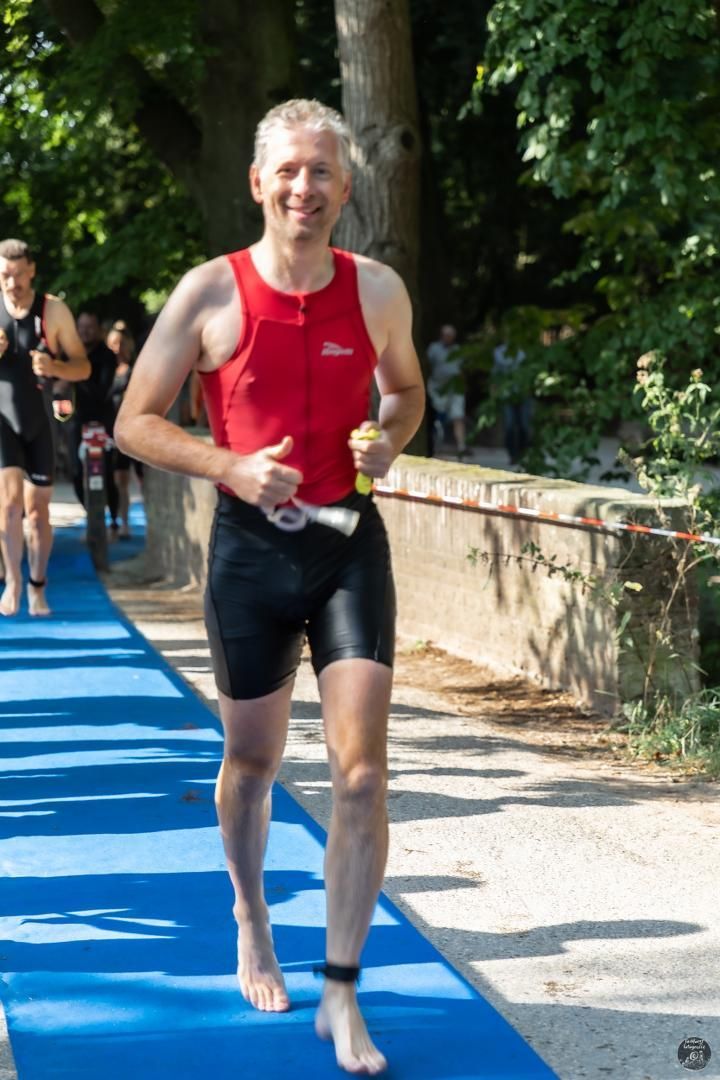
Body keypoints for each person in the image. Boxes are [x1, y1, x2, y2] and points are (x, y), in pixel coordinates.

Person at [116, 98, 425, 1075]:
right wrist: (229, 467)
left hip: (345, 544)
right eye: (288, 170)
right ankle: (252, 915)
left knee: (362, 773)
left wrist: (392, 435)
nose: (305, 186)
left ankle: (342, 991)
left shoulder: (377, 291)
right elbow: (134, 420)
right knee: (252, 763)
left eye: (322, 170)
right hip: (250, 553)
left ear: (346, 184)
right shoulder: (209, 293)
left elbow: (406, 391)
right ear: (259, 183)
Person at [0, 238, 90, 616]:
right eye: (5, 275)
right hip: (3, 420)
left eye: (19, 274)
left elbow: (82, 367)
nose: (12, 283)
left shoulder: (52, 311)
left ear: (32, 270)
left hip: (40, 422)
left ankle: (38, 584)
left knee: (38, 512)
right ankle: (13, 582)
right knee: (7, 507)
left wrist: (55, 368)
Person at [60, 311, 120, 538]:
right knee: (76, 472)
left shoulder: (106, 355)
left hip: (101, 422)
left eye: (90, 327)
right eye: (81, 327)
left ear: (98, 329)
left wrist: (74, 376)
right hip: (76, 422)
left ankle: (113, 520)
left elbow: (102, 391)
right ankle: (93, 517)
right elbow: (60, 390)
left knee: (105, 472)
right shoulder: (70, 355)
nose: (85, 331)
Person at [107, 320, 142, 538]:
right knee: (119, 480)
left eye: (120, 343)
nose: (116, 348)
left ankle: (135, 523)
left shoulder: (134, 369)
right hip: (113, 429)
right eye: (113, 343)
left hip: (133, 429)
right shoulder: (105, 369)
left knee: (140, 478)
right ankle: (122, 523)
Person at [426, 323, 467, 458]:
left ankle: (461, 446)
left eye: (451, 335)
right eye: (446, 335)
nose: (448, 337)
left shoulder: (458, 350)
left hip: (455, 388)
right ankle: (434, 446)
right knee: (436, 419)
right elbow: (427, 367)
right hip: (437, 388)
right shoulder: (434, 349)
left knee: (458, 416)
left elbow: (462, 369)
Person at [492, 339, 532, 464]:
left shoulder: (526, 350)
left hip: (523, 393)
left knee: (524, 425)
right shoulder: (499, 352)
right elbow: (495, 373)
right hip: (506, 394)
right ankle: (512, 455)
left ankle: (522, 454)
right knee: (509, 426)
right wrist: (494, 392)